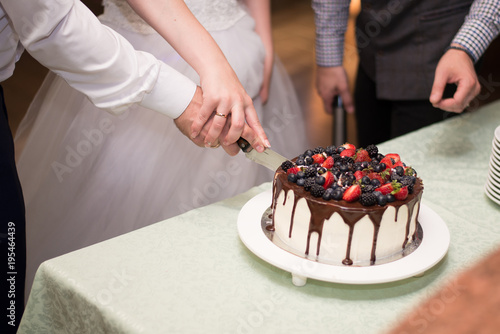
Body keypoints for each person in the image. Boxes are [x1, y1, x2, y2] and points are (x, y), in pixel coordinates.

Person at [14, 0, 309, 306]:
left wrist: (261, 37)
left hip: (235, 46)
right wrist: (211, 70)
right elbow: (53, 24)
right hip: (128, 52)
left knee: (224, 205)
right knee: (124, 205)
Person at [313, 0, 500, 147]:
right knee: (368, 168)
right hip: (372, 55)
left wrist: (465, 48)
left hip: (441, 57)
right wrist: (329, 58)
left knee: (424, 176)